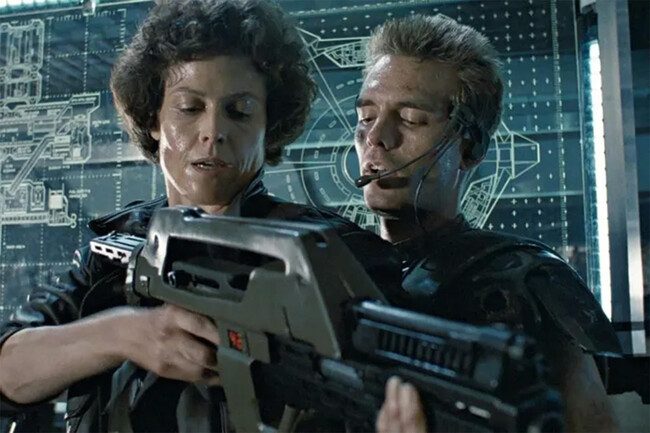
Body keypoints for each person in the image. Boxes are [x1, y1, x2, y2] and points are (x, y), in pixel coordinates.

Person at [0, 1, 401, 431]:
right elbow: (8, 370)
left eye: (239, 111)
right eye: (190, 108)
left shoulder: (336, 256)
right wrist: (123, 334)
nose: (214, 131)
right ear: (153, 119)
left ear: (269, 125)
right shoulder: (115, 252)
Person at [352, 14, 623, 433]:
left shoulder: (530, 285)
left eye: (411, 119)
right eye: (367, 116)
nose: (377, 138)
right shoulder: (338, 266)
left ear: (470, 147)